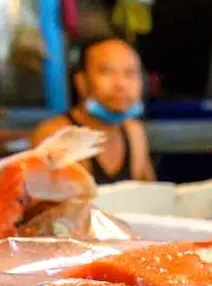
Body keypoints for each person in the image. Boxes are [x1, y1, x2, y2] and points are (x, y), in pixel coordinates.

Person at [32, 36, 155, 183]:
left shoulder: (135, 132)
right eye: (107, 72)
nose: (121, 84)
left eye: (130, 73)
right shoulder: (56, 135)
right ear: (81, 81)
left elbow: (151, 195)